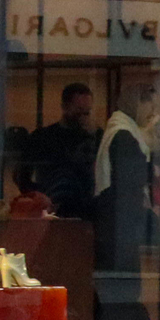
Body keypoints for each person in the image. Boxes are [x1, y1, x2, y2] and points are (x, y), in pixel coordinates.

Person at [91, 80, 159, 320]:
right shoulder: (125, 136)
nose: (150, 113)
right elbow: (131, 183)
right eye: (149, 106)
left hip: (113, 225)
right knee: (122, 291)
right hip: (120, 229)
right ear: (138, 102)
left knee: (113, 291)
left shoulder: (116, 132)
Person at [22, 83, 99, 220]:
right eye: (78, 110)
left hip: (86, 210)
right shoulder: (43, 138)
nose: (83, 116)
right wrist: (37, 196)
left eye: (87, 112)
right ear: (65, 107)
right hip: (51, 208)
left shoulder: (96, 137)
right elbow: (21, 174)